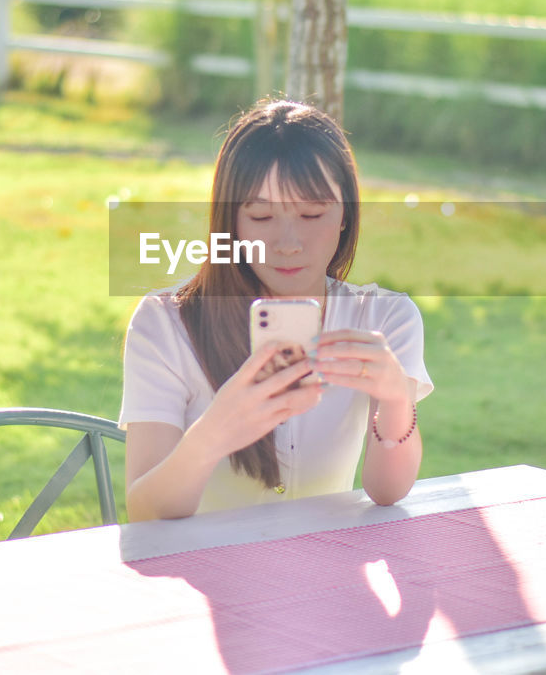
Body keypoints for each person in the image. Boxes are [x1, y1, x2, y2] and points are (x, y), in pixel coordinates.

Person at [120, 101, 433, 521]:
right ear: (232, 222)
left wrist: (396, 398)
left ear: (346, 216)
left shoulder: (385, 319)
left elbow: (387, 491)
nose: (288, 242)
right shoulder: (165, 322)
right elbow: (146, 512)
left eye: (312, 213)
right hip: (207, 574)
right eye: (262, 216)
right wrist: (216, 431)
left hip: (325, 572)